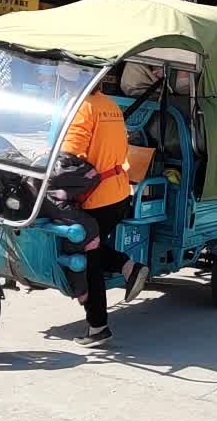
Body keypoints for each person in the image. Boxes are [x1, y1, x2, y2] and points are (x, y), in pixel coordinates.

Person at [44, 76, 149, 344]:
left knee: (89, 256)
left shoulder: (82, 106)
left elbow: (68, 155)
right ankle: (128, 267)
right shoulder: (109, 105)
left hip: (96, 198)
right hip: (117, 192)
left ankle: (98, 327)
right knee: (95, 246)